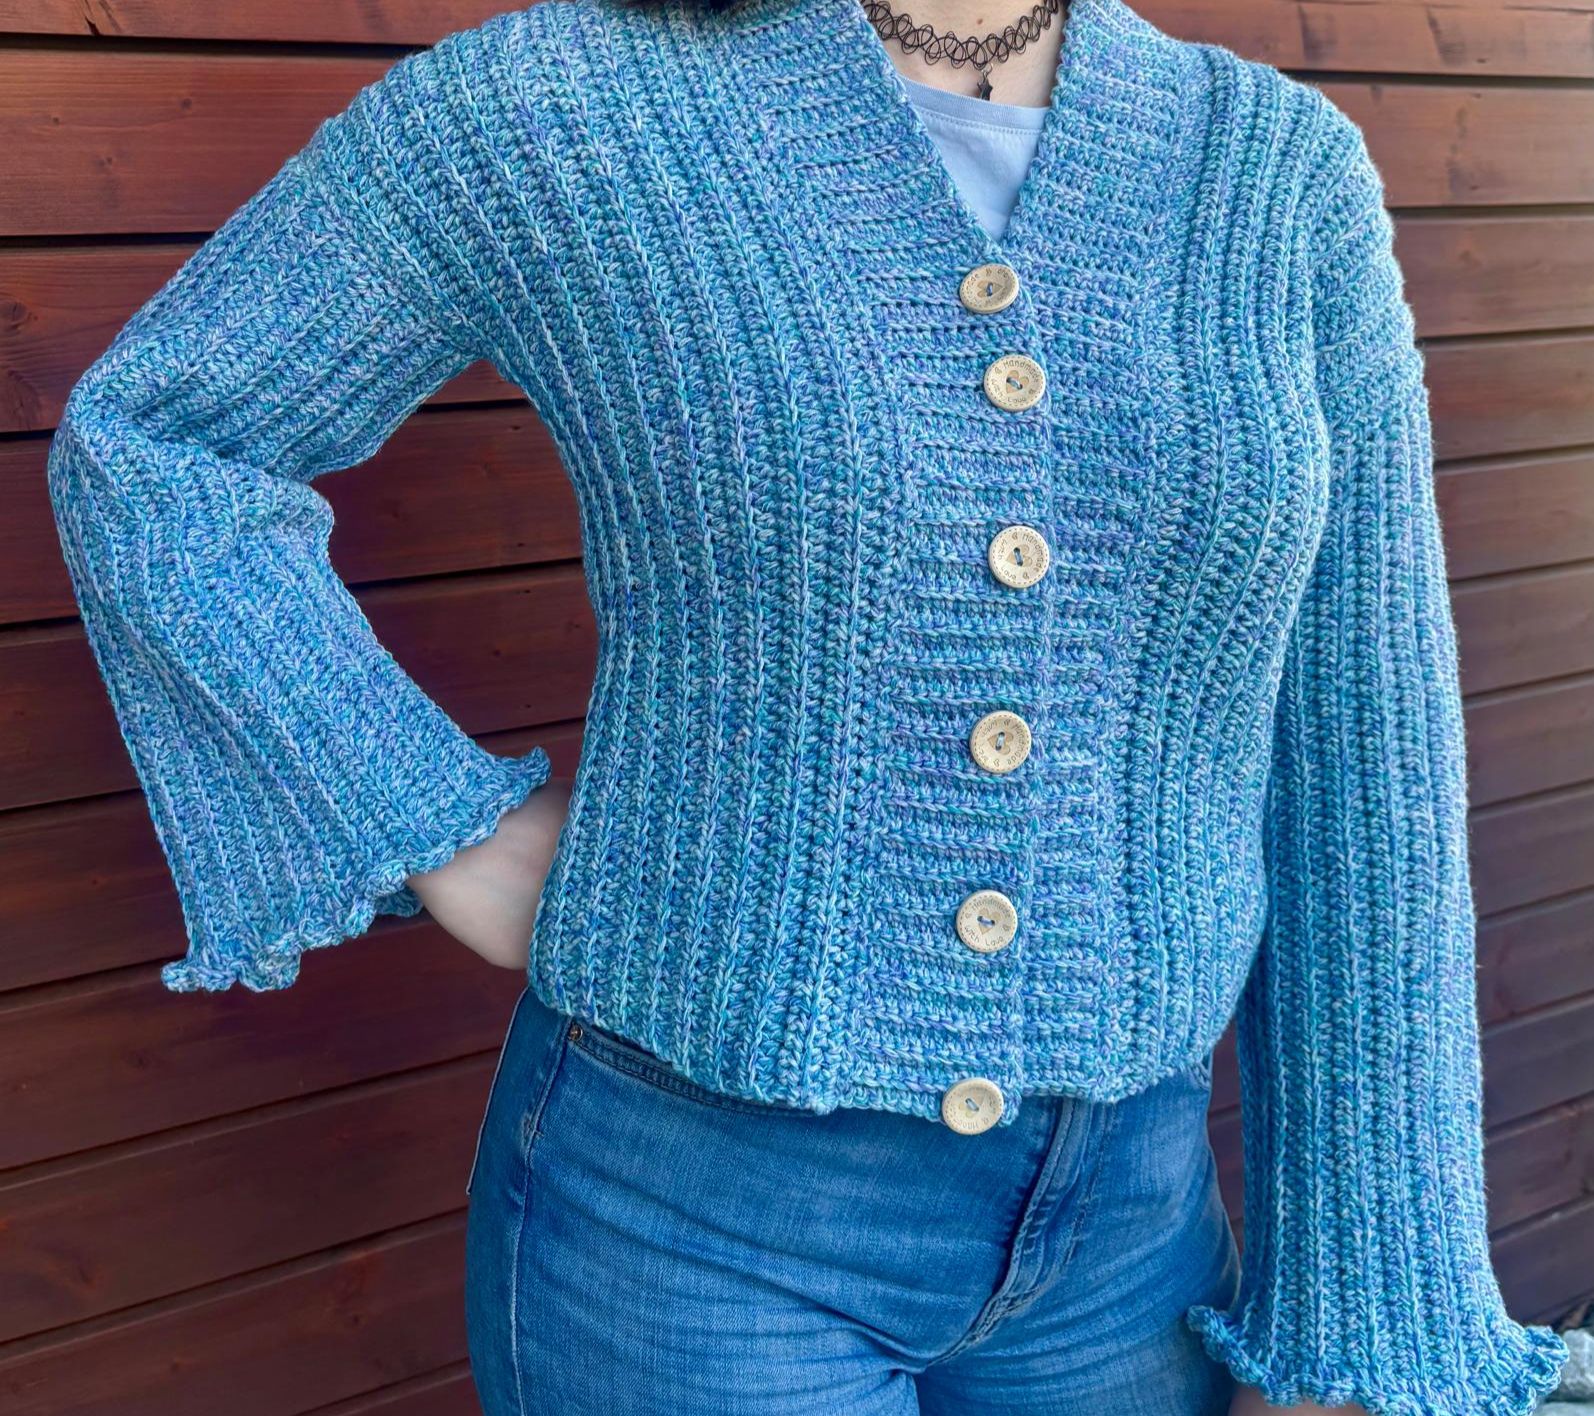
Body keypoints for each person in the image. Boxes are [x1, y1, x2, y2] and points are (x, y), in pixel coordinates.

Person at [44, 0, 1569, 1410]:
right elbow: (160, 444)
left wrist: (1369, 1313)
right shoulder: (565, 104)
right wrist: (443, 829)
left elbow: (1361, 749)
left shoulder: (1275, 170)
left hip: (1132, 1240)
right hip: (693, 1225)